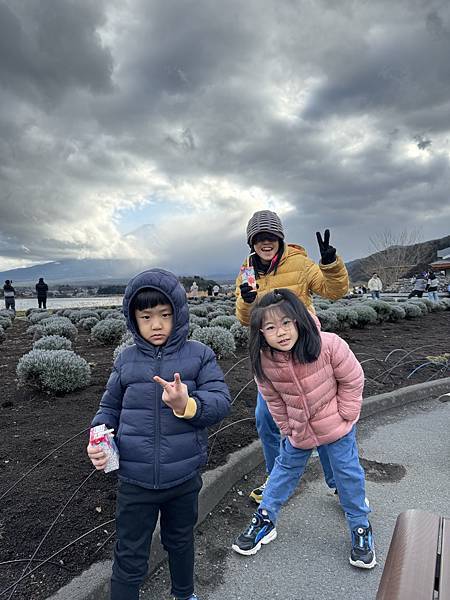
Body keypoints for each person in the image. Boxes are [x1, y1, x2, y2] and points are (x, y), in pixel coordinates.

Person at [87, 268, 231, 600]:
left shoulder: (199, 355)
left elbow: (221, 400)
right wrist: (97, 439)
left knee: (180, 541)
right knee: (129, 552)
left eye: (165, 315)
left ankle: (184, 593)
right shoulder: (125, 360)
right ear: (132, 318)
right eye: (146, 316)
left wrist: (187, 404)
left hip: (182, 478)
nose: (156, 324)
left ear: (178, 314)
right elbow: (108, 408)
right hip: (134, 480)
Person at [232, 289, 375, 569]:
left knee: (347, 473)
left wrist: (346, 415)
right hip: (299, 430)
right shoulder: (264, 361)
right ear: (260, 333)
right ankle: (265, 519)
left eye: (286, 322)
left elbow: (353, 379)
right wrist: (287, 427)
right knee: (282, 472)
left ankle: (360, 526)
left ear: (299, 320)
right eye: (270, 327)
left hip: (336, 426)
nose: (281, 332)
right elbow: (272, 398)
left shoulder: (328, 345)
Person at [235, 209, 349, 503]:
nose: (265, 241)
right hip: (270, 358)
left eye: (270, 236)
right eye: (259, 237)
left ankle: (338, 482)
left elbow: (333, 291)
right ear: (252, 242)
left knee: (319, 415)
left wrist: (329, 264)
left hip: (305, 351)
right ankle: (277, 479)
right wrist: (247, 302)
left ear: (279, 238)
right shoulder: (247, 270)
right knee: (265, 418)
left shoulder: (299, 262)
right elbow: (245, 318)